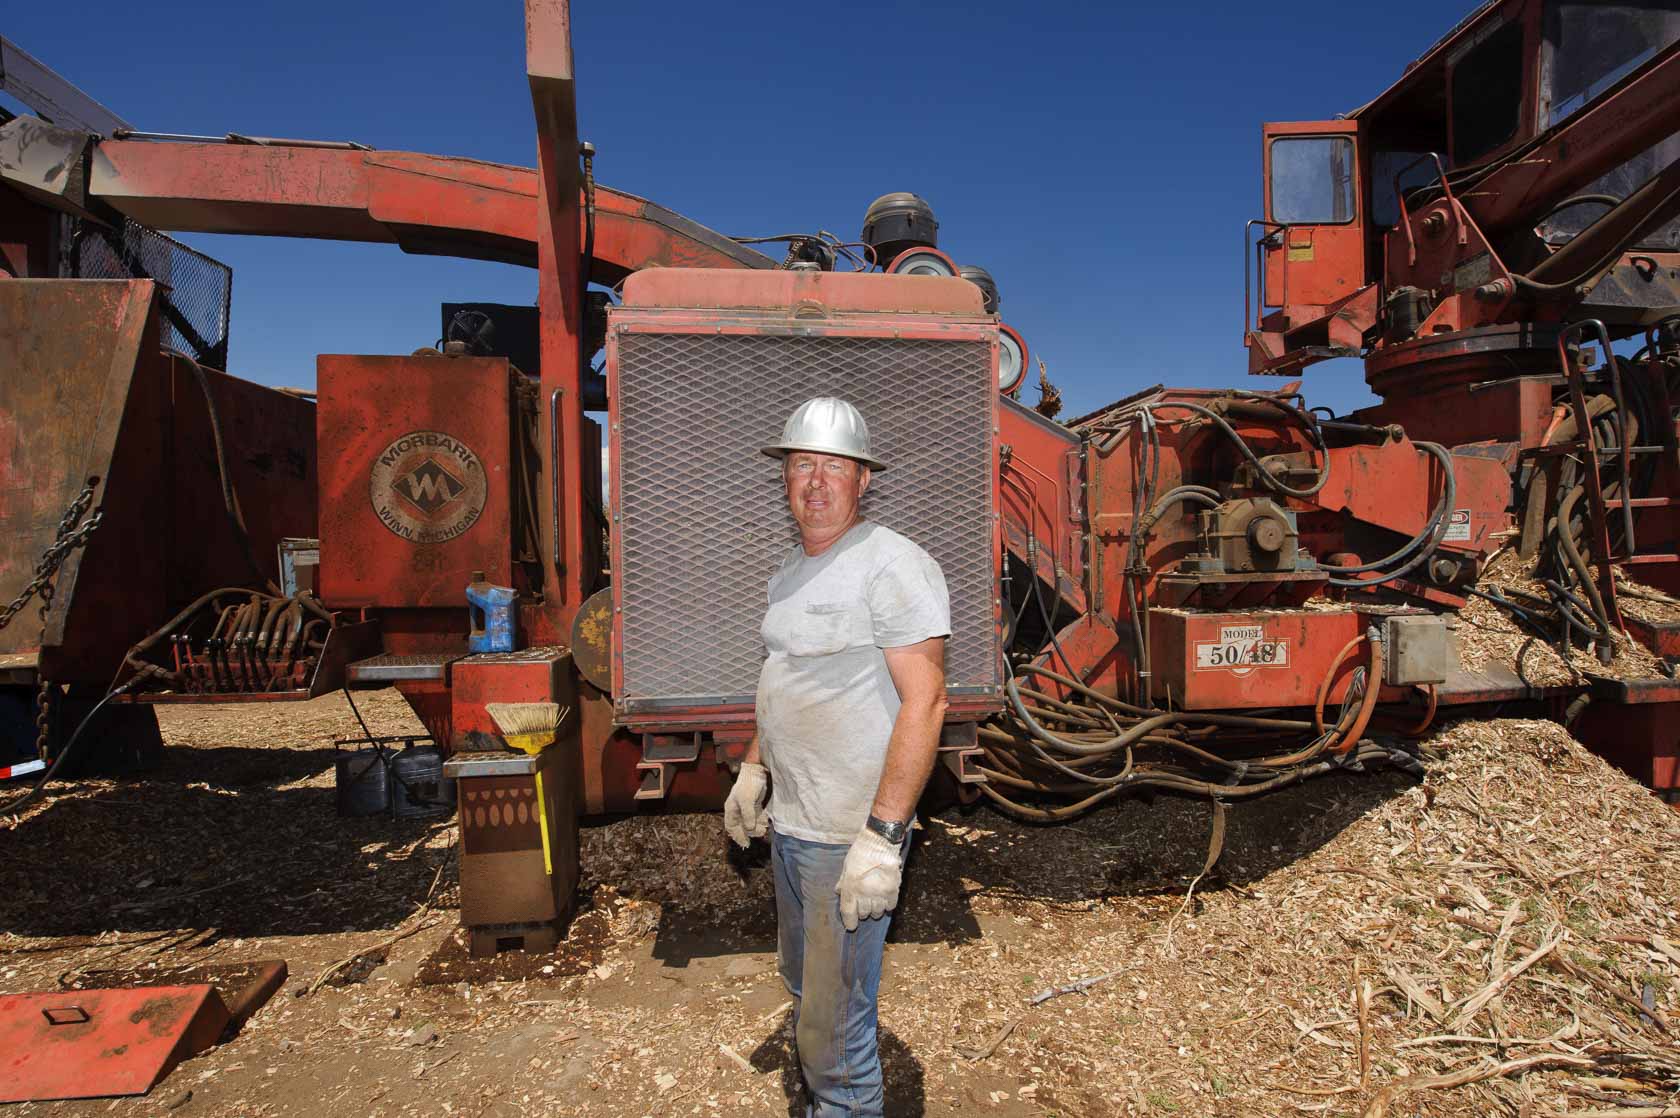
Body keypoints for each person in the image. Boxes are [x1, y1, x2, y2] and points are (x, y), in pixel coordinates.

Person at [724, 397, 950, 1118]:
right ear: (784, 478)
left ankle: (841, 1099)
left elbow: (928, 702)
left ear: (863, 481)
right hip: (792, 826)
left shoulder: (893, 565)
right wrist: (754, 769)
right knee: (805, 984)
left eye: (833, 467)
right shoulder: (790, 572)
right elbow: (785, 676)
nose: (815, 482)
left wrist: (883, 839)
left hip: (845, 839)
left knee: (838, 1030)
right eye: (801, 465)